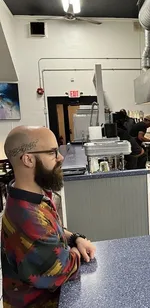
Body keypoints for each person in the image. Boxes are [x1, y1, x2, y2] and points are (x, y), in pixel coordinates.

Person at [2, 126, 96, 307]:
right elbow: (62, 270)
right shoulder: (26, 217)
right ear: (28, 159)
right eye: (53, 152)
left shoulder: (31, 196)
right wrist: (77, 253)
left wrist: (75, 238)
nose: (60, 158)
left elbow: (53, 229)